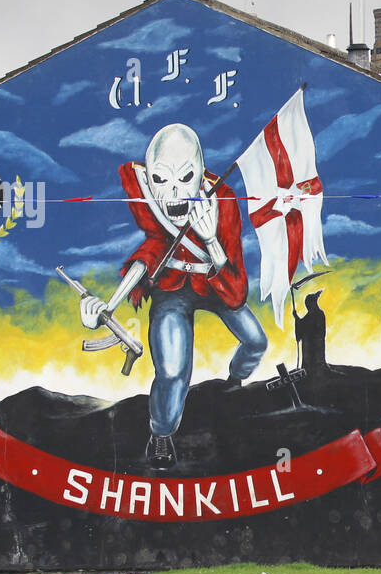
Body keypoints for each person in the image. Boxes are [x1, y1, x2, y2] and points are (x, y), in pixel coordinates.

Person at [79, 123, 267, 469]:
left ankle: (235, 382)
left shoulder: (222, 201)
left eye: (185, 178)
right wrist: (108, 305)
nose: (174, 193)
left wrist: (210, 240)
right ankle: (162, 432)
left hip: (216, 282)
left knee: (256, 342)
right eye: (161, 180)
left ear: (200, 175)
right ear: (149, 181)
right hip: (173, 289)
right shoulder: (147, 202)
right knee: (172, 370)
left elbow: (237, 291)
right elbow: (151, 252)